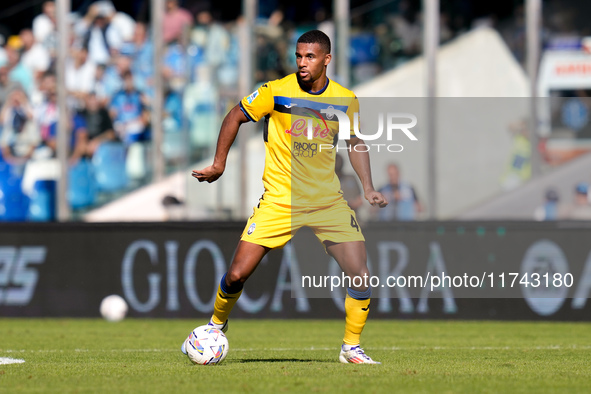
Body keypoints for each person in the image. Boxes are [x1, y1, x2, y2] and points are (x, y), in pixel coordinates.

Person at [184, 30, 387, 364]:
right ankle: (215, 326)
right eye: (298, 56)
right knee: (236, 275)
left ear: (327, 59)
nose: (302, 63)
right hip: (280, 200)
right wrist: (219, 163)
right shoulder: (275, 92)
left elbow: (355, 142)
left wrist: (368, 187)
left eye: (310, 57)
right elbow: (235, 115)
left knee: (361, 273)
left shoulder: (345, 99)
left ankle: (351, 347)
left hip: (327, 202)